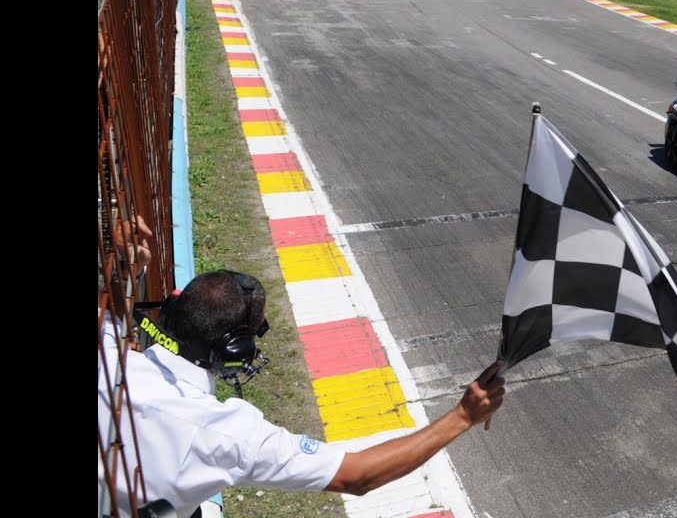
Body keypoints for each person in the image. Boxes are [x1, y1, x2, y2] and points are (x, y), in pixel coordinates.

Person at [99, 218, 505, 518]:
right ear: (234, 351)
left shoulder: (108, 354)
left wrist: (124, 271)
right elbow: (357, 475)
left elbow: (110, 315)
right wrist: (462, 416)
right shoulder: (226, 434)